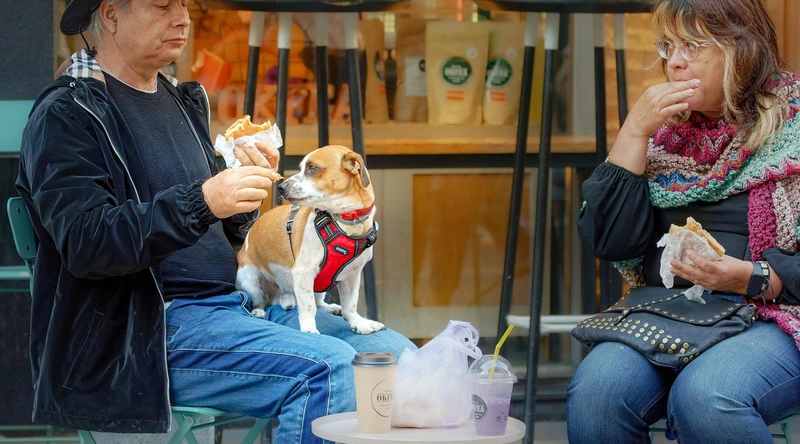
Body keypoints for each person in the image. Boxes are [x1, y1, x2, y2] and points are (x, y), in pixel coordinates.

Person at [15, 1, 415, 442]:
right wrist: (204, 199)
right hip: (147, 332)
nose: (182, 17)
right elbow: (86, 243)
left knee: (401, 358)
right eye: (162, 4)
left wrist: (241, 197)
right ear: (111, 15)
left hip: (239, 303)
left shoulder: (179, 101)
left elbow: (222, 231)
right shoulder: (67, 112)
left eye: (184, 4)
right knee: (328, 367)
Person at [567, 0, 800, 442]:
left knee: (707, 395)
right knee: (597, 392)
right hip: (671, 311)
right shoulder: (662, 135)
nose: (674, 62)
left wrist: (752, 277)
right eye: (668, 46)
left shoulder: (794, 129)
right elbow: (609, 242)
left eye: (692, 46)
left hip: (774, 315)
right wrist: (634, 132)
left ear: (742, 50)